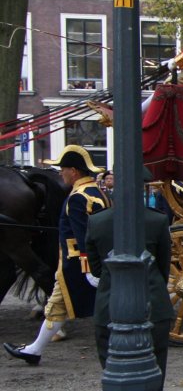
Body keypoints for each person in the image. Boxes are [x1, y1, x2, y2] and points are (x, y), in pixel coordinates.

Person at [4, 145, 109, 365]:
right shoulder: (98, 193)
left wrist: (88, 266)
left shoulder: (77, 198)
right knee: (56, 306)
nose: (61, 173)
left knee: (62, 305)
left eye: (64, 169)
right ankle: (34, 349)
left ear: (75, 171)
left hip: (75, 263)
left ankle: (35, 349)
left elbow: (83, 237)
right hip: (91, 260)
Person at [85, 167, 173, 388]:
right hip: (154, 302)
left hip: (109, 304)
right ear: (142, 188)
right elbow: (164, 265)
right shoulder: (157, 221)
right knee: (156, 366)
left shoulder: (97, 222)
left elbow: (96, 268)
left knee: (112, 366)